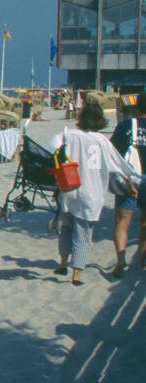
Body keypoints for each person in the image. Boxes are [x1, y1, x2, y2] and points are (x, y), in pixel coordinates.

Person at [51, 99, 140, 285]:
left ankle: (62, 263)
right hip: (91, 191)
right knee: (83, 232)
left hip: (69, 188)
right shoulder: (101, 141)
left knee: (66, 227)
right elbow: (120, 166)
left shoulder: (69, 135)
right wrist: (131, 185)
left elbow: (50, 148)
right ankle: (76, 274)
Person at [108, 98, 146, 276]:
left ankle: (121, 261)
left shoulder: (126, 125)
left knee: (122, 223)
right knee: (144, 223)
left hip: (129, 180)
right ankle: (140, 260)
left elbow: (112, 152)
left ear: (137, 107)